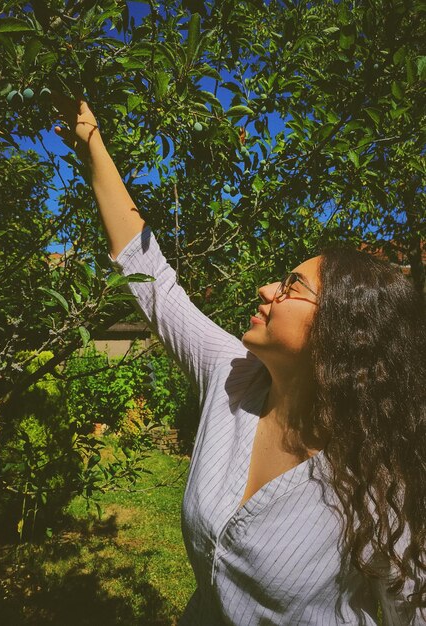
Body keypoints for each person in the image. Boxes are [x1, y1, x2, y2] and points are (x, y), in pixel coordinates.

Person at [52, 94, 426, 625]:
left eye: (293, 285)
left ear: (344, 328)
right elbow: (154, 282)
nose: (267, 287)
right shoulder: (234, 376)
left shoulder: (383, 478)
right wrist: (92, 142)